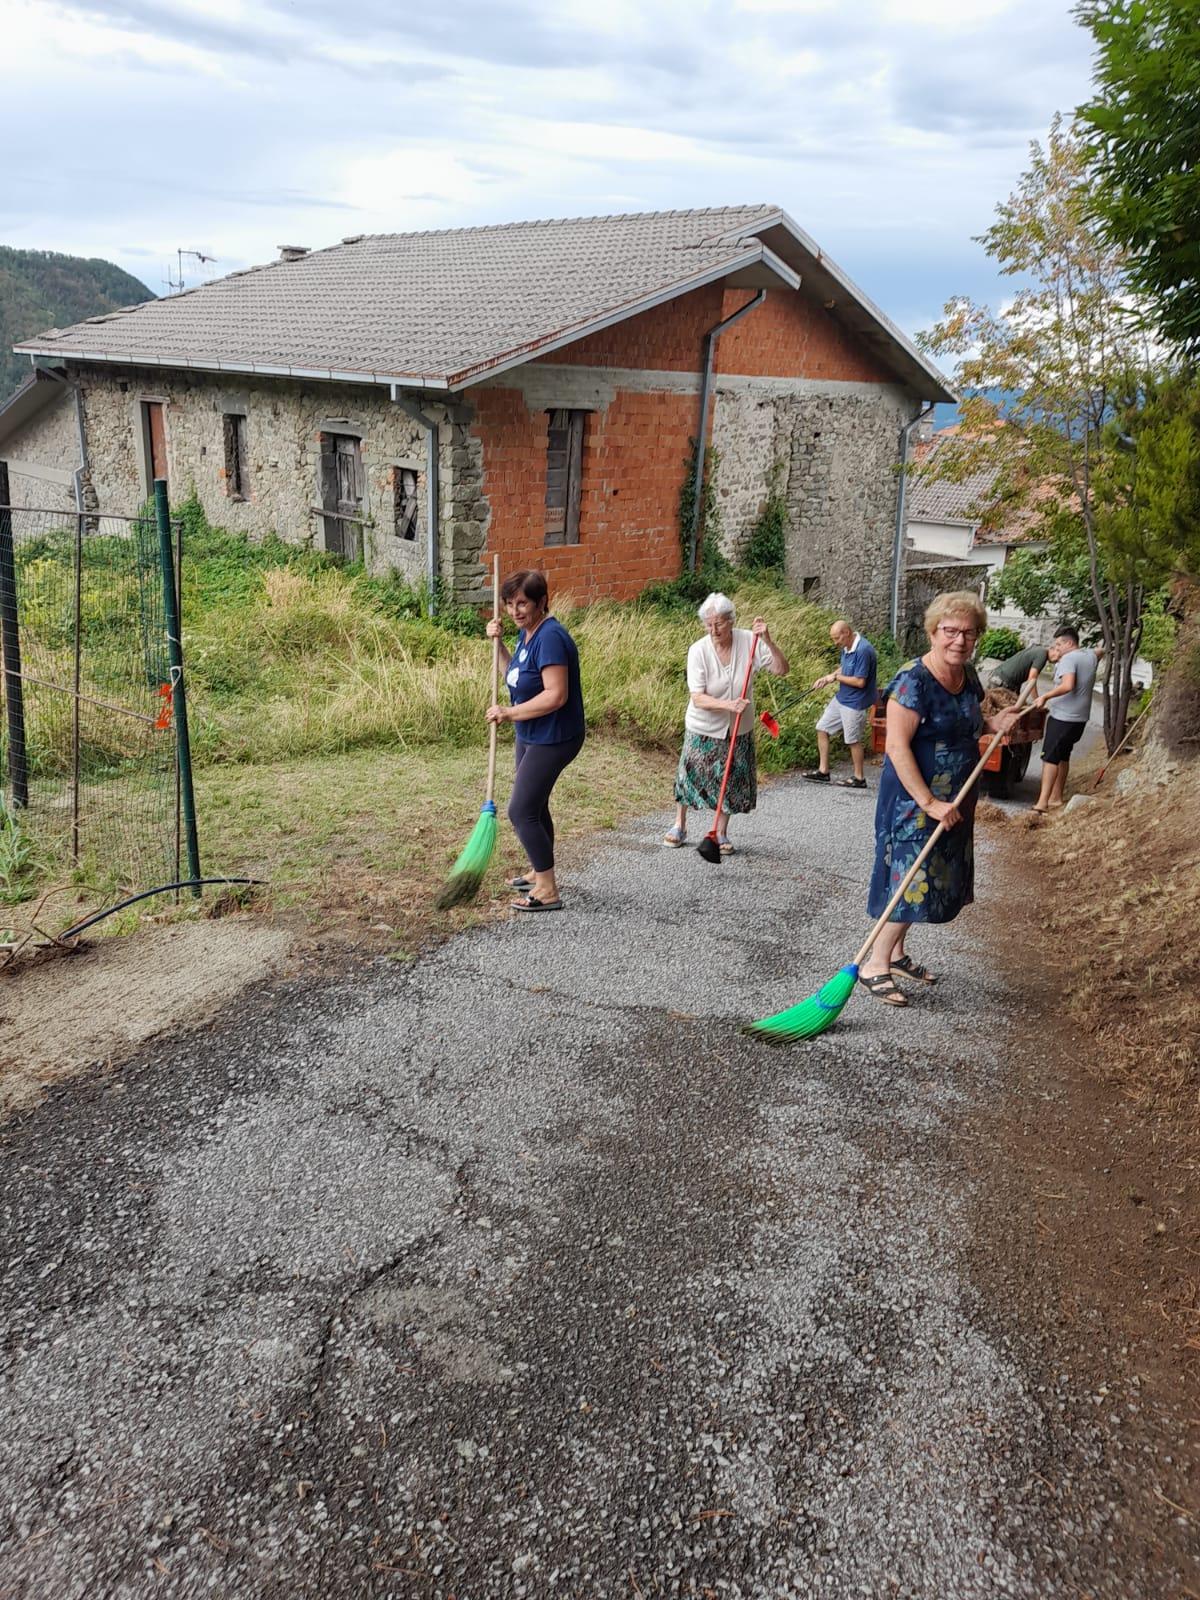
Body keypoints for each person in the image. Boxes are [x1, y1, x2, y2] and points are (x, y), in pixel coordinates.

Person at [861, 590, 1021, 1006]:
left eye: (969, 633)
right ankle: (873, 963)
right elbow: (896, 747)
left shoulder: (968, 677)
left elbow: (966, 723)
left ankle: (895, 955)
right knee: (912, 878)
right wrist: (929, 802)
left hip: (956, 799)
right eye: (950, 631)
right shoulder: (913, 680)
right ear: (933, 632)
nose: (960, 641)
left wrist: (993, 721)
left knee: (930, 877)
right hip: (916, 801)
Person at [485, 569, 585, 912]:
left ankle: (547, 889)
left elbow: (556, 696)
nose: (515, 610)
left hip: (555, 736)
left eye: (523, 603)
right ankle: (539, 869)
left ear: (542, 602)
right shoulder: (527, 635)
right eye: (510, 603)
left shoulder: (551, 637)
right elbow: (516, 676)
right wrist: (498, 647)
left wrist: (508, 713)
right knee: (536, 805)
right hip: (531, 733)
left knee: (521, 809)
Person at [664, 592, 789, 852]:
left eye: (718, 623)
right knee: (689, 776)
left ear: (731, 620)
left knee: (730, 778)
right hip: (703, 726)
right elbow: (698, 697)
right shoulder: (698, 650)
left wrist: (768, 640)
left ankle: (719, 832)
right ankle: (679, 824)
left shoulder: (749, 642)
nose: (713, 630)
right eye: (708, 625)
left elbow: (781, 669)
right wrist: (729, 705)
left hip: (738, 728)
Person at [1031, 627, 1100, 814]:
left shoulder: (1068, 659)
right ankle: (1056, 797)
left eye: (1059, 644)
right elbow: (1100, 651)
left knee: (1050, 757)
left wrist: (1045, 697)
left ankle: (1042, 803)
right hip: (1079, 719)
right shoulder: (1088, 656)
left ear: (1070, 643)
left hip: (1063, 717)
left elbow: (1068, 685)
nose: (1057, 648)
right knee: (1063, 756)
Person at [802, 620, 878, 789]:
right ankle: (823, 771)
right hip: (842, 698)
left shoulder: (863, 650)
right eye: (834, 639)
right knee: (822, 728)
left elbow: (860, 682)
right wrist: (827, 677)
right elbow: (845, 668)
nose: (835, 642)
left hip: (855, 703)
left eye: (837, 638)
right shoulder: (846, 647)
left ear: (847, 633)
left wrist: (835, 678)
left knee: (852, 740)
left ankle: (859, 778)